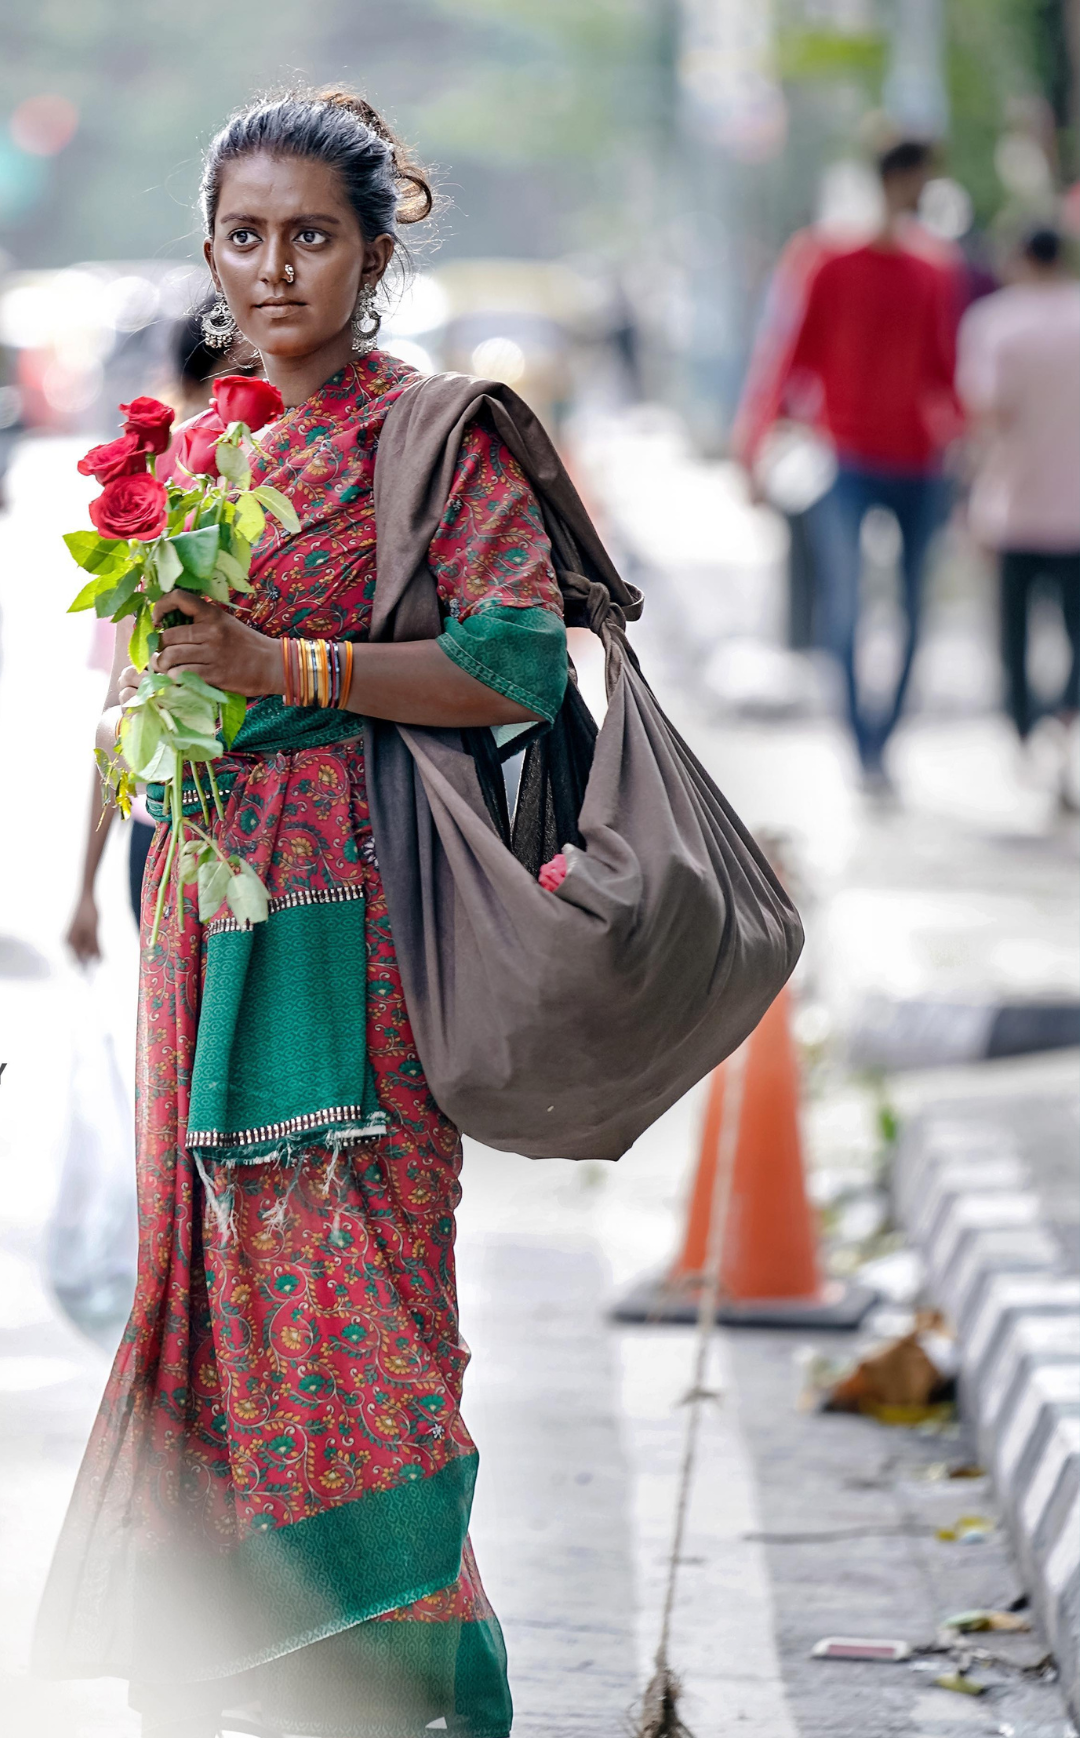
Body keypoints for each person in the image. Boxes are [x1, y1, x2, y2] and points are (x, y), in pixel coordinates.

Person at [36, 87, 572, 1738]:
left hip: (374, 933)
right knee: (216, 1291)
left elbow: (516, 664)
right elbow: (136, 690)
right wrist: (97, 864)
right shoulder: (192, 449)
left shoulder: (436, 439)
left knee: (371, 1310)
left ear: (374, 252)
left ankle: (406, 1679)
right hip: (205, 935)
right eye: (248, 237)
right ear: (210, 251)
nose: (277, 269)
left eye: (313, 237)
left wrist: (289, 670)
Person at [763, 139, 962, 782]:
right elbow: (790, 354)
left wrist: (966, 439)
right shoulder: (827, 260)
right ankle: (862, 744)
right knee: (845, 604)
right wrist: (758, 439)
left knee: (912, 608)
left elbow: (944, 367)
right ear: (894, 179)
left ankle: (883, 739)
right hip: (845, 456)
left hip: (920, 460)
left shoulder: (934, 269)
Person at [65, 305, 237, 963]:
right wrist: (86, 887)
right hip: (168, 825)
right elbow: (120, 709)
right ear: (192, 391)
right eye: (234, 383)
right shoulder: (156, 509)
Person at [957, 225, 1080, 777]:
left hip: (1014, 506)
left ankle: (1026, 729)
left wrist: (970, 500)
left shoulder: (995, 324)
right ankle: (1064, 714)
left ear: (1020, 257)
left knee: (1013, 634)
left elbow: (985, 419)